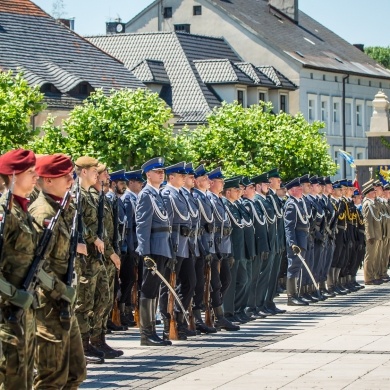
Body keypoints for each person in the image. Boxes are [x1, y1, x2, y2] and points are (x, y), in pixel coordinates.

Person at [29, 153, 87, 388]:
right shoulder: (42, 213)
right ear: (48, 180)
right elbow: (36, 267)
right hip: (47, 306)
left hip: (64, 302)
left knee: (75, 372)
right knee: (51, 377)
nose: (71, 181)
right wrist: (61, 290)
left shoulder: (62, 208)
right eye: (65, 177)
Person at [0, 149, 38, 389]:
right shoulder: (4, 214)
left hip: (25, 310)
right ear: (13, 175)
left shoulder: (23, 211)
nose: (36, 177)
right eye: (30, 172)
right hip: (7, 312)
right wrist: (13, 295)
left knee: (25, 380)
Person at [74, 156, 107, 364]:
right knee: (83, 301)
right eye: (93, 170)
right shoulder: (76, 194)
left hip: (95, 254)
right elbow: (76, 222)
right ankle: (82, 346)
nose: (97, 173)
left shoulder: (89, 194)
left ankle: (93, 340)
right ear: (83, 171)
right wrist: (93, 238)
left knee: (102, 296)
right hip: (84, 254)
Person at [136, 157, 172, 346]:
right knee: (148, 289)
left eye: (162, 171)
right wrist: (145, 253)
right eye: (157, 171)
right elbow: (142, 226)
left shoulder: (157, 195)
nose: (161, 174)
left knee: (155, 290)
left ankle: (152, 331)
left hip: (162, 247)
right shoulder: (146, 195)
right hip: (153, 249)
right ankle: (146, 333)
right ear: (148, 174)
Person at [89, 165, 123, 358]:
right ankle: (90, 341)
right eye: (104, 174)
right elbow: (97, 231)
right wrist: (112, 253)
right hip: (100, 255)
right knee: (95, 301)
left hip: (107, 255)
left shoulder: (103, 198)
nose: (108, 178)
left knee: (106, 299)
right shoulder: (91, 197)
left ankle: (99, 339)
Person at [160, 162, 196, 340]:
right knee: (167, 286)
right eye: (181, 176)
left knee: (189, 282)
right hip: (174, 245)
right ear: (171, 177)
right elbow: (167, 223)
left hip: (185, 244)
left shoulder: (181, 194)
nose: (184, 178)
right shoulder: (167, 194)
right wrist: (170, 249)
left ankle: (180, 319)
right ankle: (168, 324)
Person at [207, 167, 239, 331]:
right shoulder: (209, 199)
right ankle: (217, 315)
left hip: (223, 245)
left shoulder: (218, 199)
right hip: (214, 247)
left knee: (226, 280)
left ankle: (216, 311)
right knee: (215, 283)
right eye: (220, 181)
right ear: (212, 182)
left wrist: (229, 250)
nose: (223, 184)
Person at [192, 165, 217, 334]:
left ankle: (203, 316)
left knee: (205, 283)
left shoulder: (206, 197)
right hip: (197, 244)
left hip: (206, 244)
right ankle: (193, 318)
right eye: (204, 179)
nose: (208, 181)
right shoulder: (196, 196)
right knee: (196, 283)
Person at [241, 177, 269, 319]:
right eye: (250, 188)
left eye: (253, 187)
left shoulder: (255, 204)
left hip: (259, 246)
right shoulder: (246, 204)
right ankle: (249, 307)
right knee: (250, 279)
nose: (252, 190)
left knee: (257, 277)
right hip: (253, 246)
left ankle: (255, 305)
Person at [221, 177, 247, 324]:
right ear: (229, 192)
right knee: (230, 283)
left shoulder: (235, 205)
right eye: (237, 190)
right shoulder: (225, 205)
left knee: (243, 280)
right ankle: (228, 312)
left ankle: (237, 309)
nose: (240, 192)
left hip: (240, 249)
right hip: (231, 249)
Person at [284, 177, 310, 306]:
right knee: (293, 267)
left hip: (302, 239)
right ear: (292, 191)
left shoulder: (299, 202)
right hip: (297, 241)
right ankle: (291, 296)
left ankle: (297, 294)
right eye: (298, 188)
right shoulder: (291, 204)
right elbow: (289, 226)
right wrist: (292, 243)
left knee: (298, 268)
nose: (301, 189)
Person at [362, 180, 383, 285]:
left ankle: (374, 275)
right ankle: (368, 278)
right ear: (369, 193)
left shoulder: (373, 203)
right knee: (370, 256)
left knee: (375, 257)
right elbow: (368, 221)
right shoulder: (367, 204)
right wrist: (370, 235)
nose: (375, 193)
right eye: (373, 192)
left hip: (377, 233)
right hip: (372, 234)